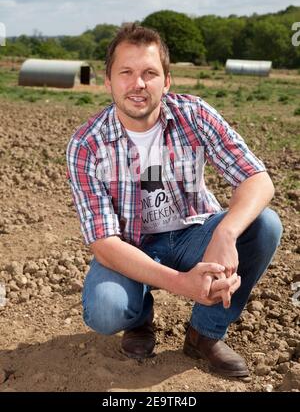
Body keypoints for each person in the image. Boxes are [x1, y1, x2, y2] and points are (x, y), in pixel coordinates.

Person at [66, 23, 282, 378]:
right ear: (108, 81)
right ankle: (138, 318)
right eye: (126, 73)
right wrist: (182, 284)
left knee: (264, 224)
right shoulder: (87, 144)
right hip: (129, 246)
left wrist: (224, 235)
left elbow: (257, 178)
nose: (138, 84)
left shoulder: (193, 114)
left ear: (166, 81)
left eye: (150, 73)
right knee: (106, 309)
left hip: (193, 234)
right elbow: (104, 243)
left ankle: (204, 334)